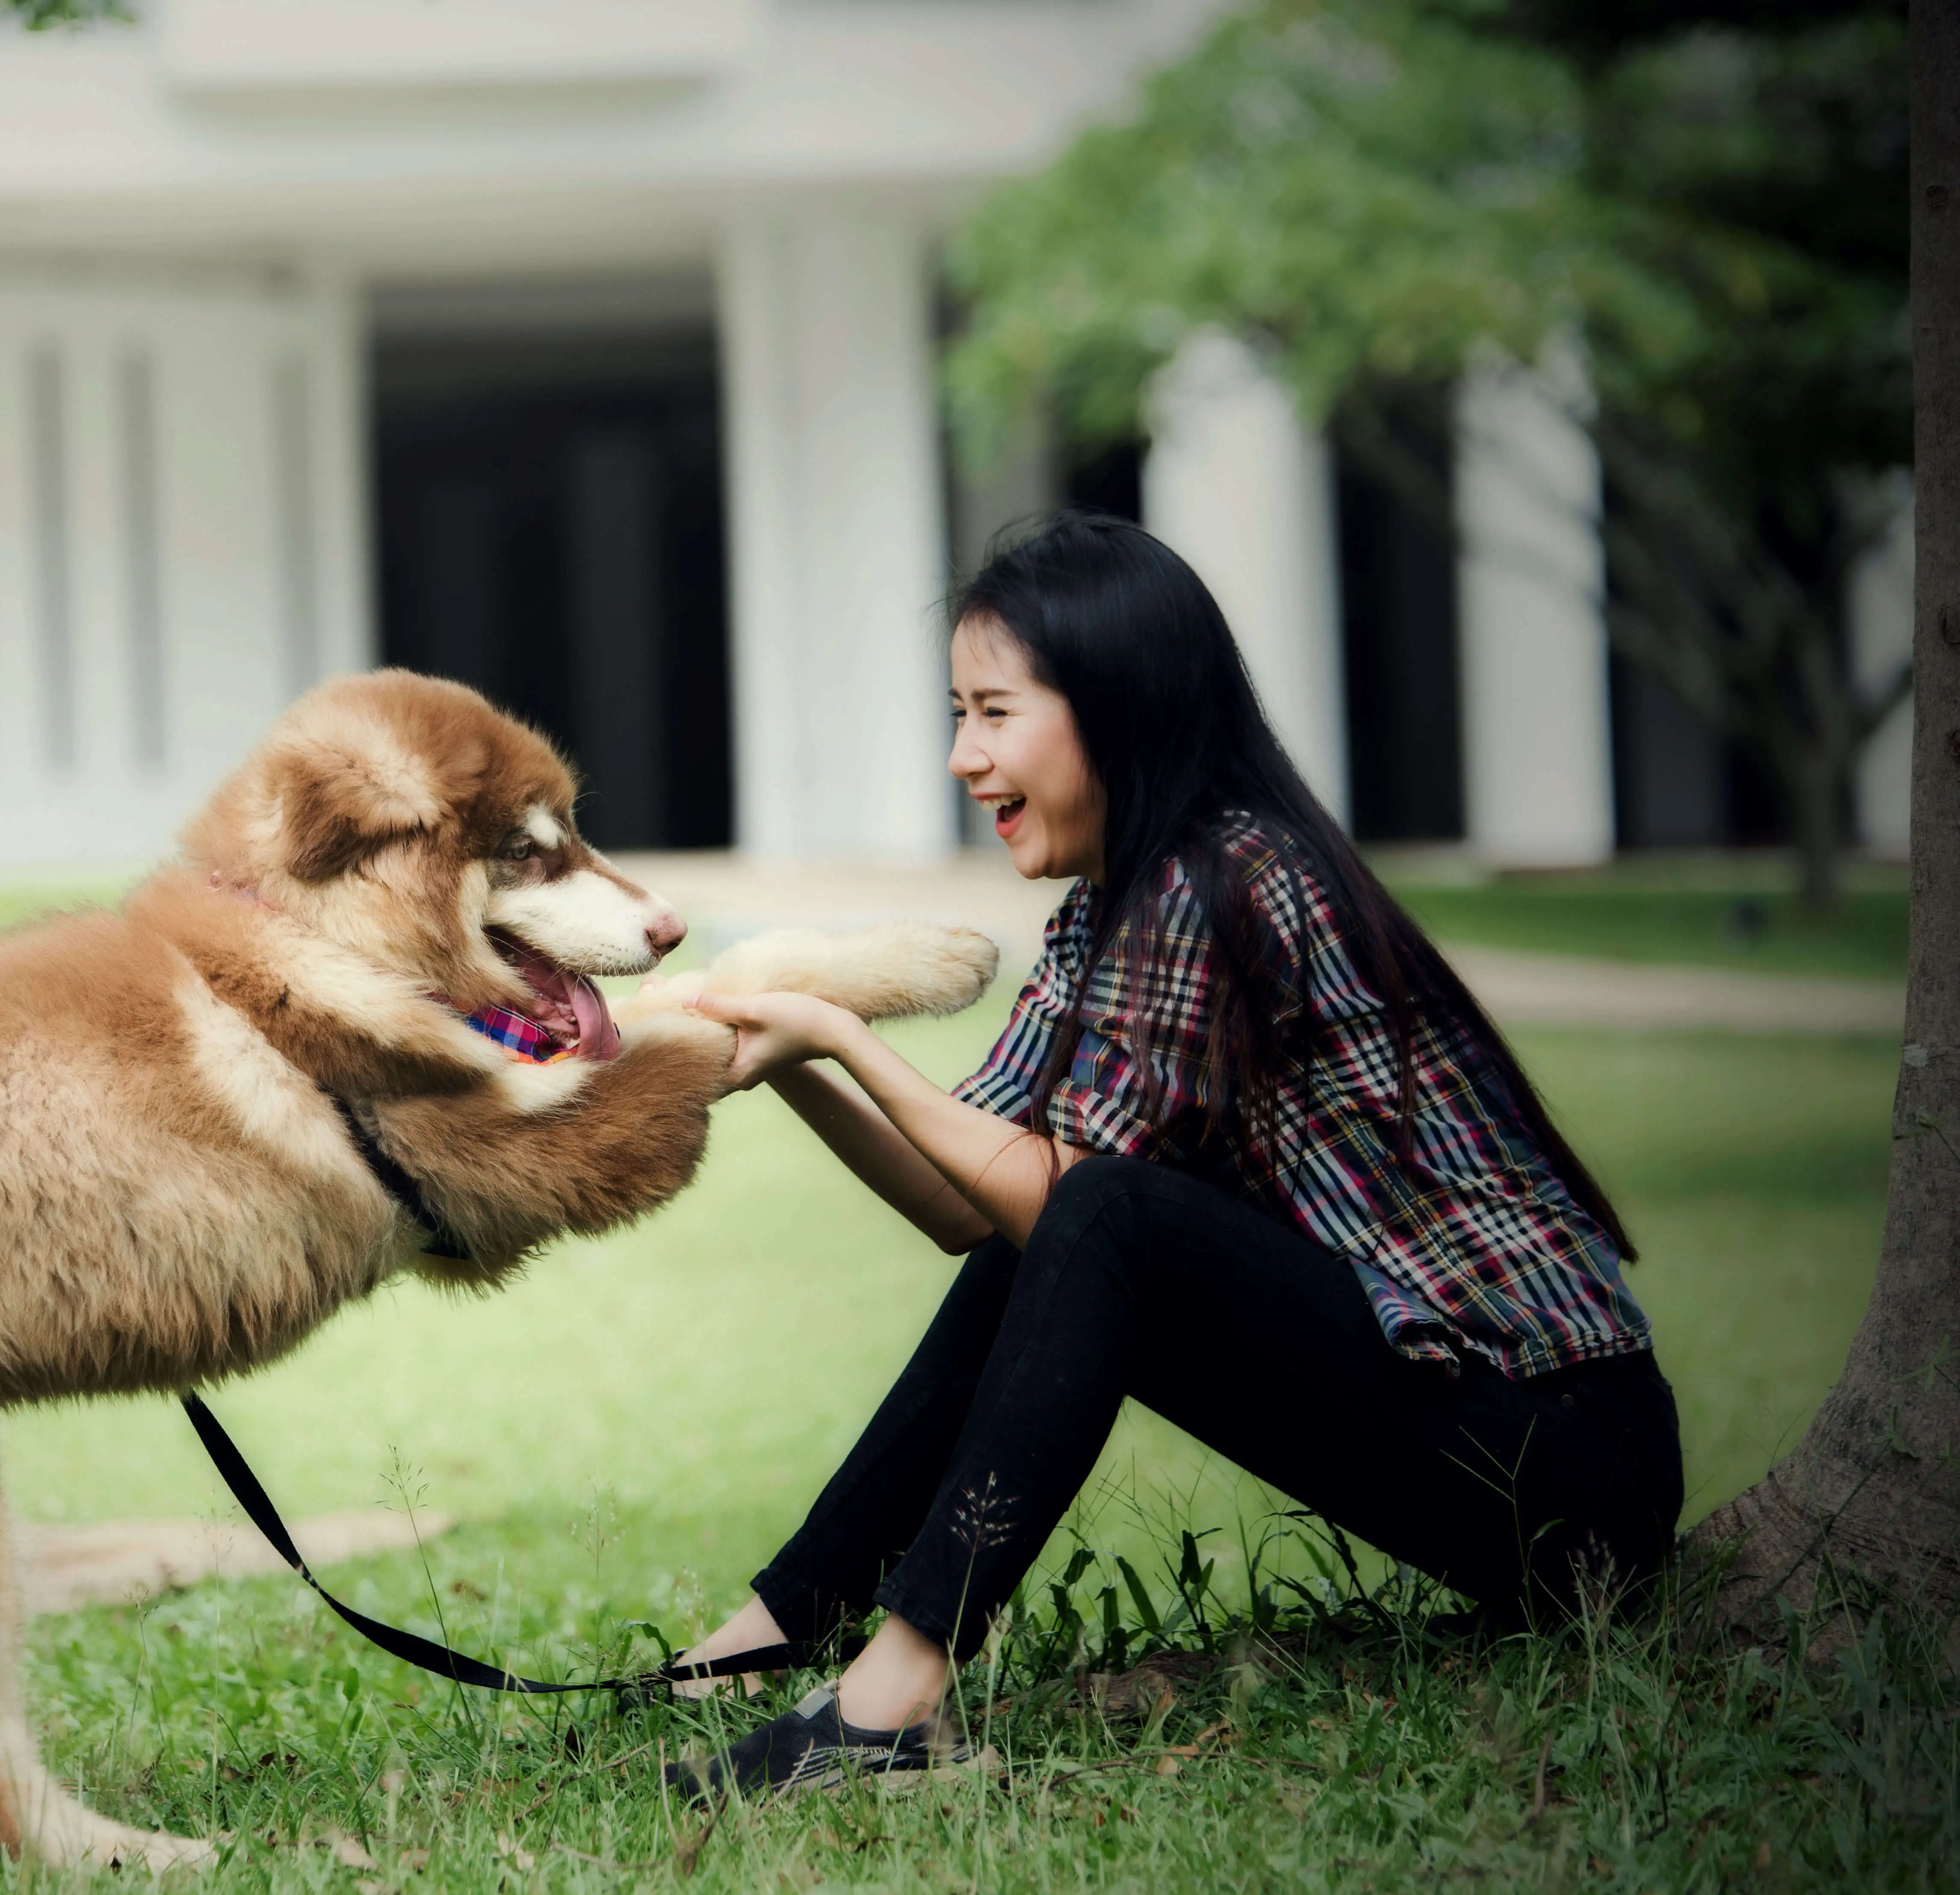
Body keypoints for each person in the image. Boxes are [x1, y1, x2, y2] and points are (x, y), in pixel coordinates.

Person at [664, 512, 1684, 1805]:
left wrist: (838, 1032)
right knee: (1065, 1224)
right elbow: (964, 1206)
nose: (960, 757)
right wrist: (803, 1057)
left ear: (1117, 704)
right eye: (956, 714)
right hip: (1478, 1446)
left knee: (1103, 1211)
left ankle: (893, 1703)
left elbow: (1055, 1191)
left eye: (992, 712)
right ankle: (761, 1647)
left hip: (1569, 1471)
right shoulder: (1113, 904)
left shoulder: (1225, 876)